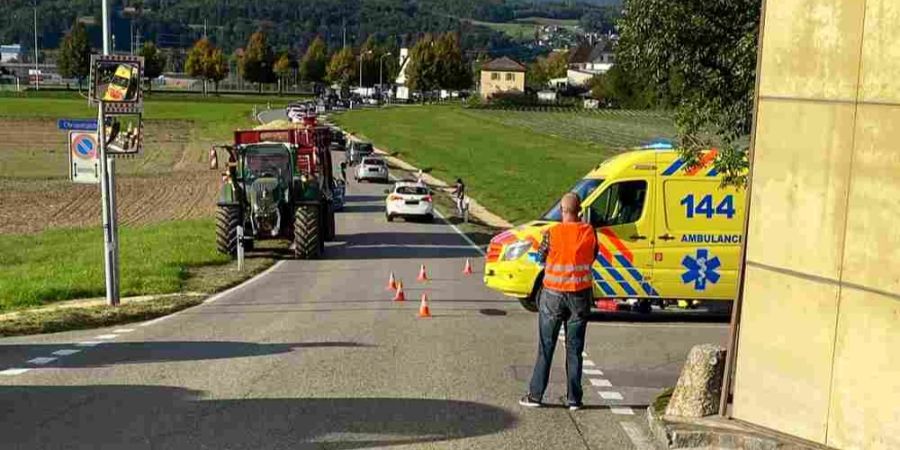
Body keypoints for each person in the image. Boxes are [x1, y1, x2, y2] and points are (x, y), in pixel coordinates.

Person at [520, 192, 598, 411]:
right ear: (580, 211)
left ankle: (535, 395)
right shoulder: (589, 232)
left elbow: (541, 257)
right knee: (575, 349)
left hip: (552, 296)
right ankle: (574, 399)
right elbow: (593, 256)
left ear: (563, 211)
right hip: (579, 296)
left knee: (546, 346)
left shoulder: (552, 233)